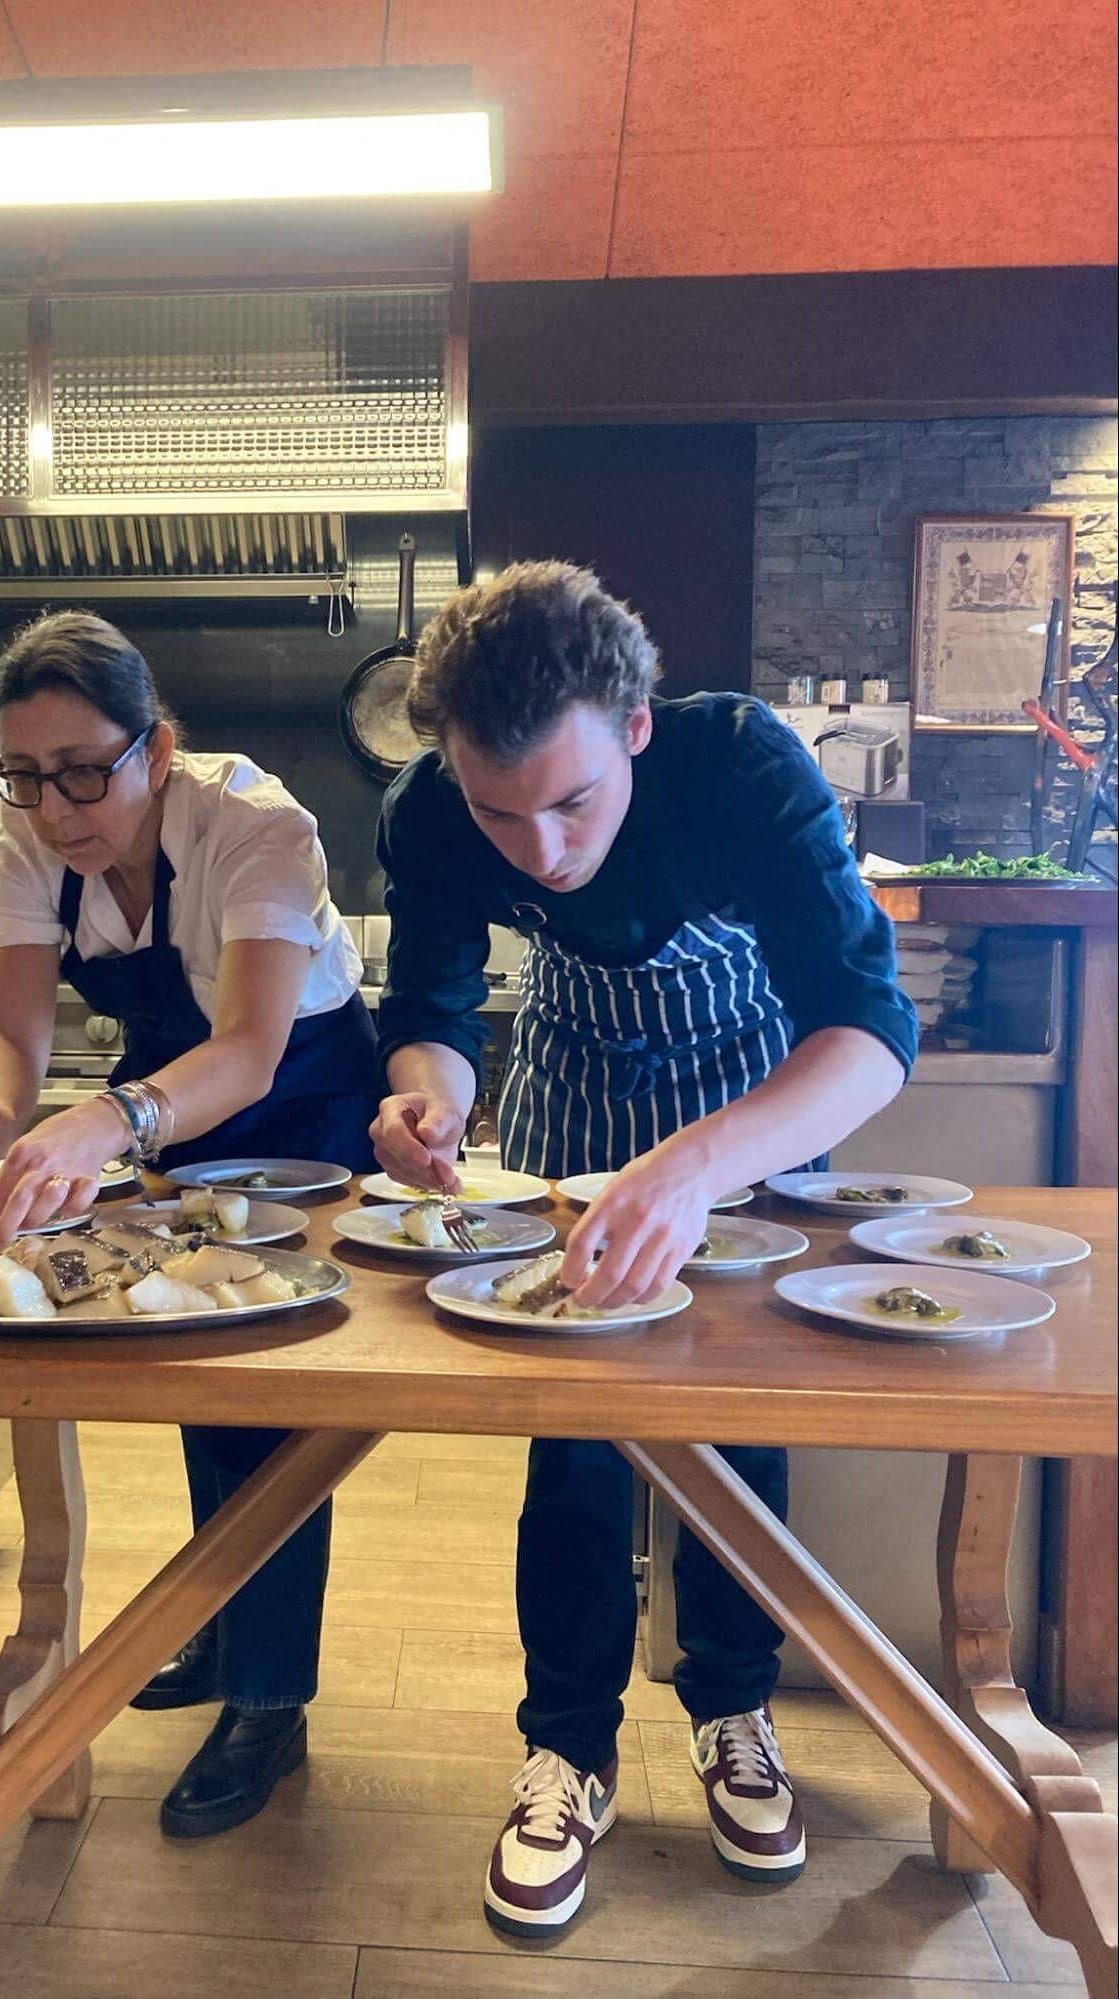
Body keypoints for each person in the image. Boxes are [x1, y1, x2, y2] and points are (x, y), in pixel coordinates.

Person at [370, 562, 917, 1937]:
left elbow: (869, 1032)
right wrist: (426, 1094)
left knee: (737, 1411)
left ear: (638, 726)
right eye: (503, 812)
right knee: (577, 1423)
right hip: (574, 1080)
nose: (540, 850)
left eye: (571, 802)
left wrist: (700, 1163)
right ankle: (569, 1743)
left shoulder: (744, 764)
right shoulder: (432, 811)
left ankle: (734, 1707)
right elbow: (432, 1004)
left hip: (751, 1090)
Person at [0, 610, 378, 1838]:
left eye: (85, 770)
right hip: (171, 1091)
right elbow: (7, 1025)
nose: (57, 806)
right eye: (25, 776)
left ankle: (271, 1700)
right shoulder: (20, 843)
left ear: (156, 746)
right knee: (186, 1358)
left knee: (269, 1392)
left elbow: (253, 1046)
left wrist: (107, 1120)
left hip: (302, 1094)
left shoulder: (255, 822)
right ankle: (224, 1636)